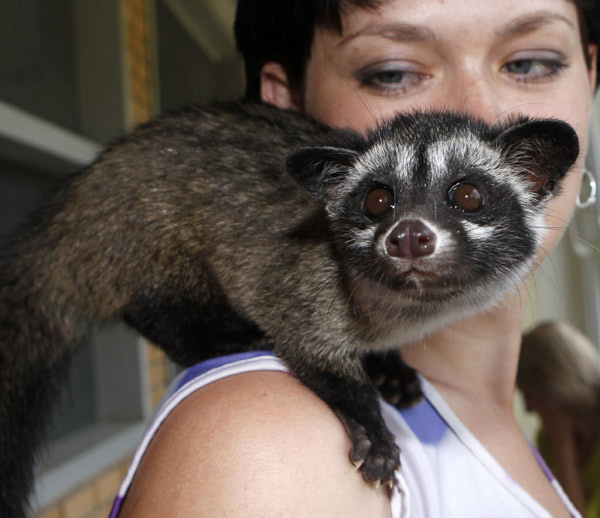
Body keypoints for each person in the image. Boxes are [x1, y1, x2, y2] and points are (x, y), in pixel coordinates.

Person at [112, 1, 599, 516]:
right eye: (392, 73)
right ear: (285, 102)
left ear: (591, 78)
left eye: (530, 63)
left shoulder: (514, 420)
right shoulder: (264, 448)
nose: (471, 113)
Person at [518, 321, 600, 518]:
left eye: (529, 394)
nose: (527, 409)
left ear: (555, 384)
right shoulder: (546, 438)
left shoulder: (554, 437)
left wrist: (562, 444)